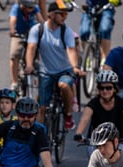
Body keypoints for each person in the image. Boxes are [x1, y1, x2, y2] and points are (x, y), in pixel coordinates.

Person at [24, 0, 82, 128]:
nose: (64, 17)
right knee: (41, 108)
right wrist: (29, 65)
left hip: (64, 71)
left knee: (64, 85)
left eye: (66, 15)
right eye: (61, 14)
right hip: (46, 72)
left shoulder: (66, 31)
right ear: (51, 14)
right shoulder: (37, 30)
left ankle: (68, 115)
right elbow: (31, 48)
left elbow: (71, 51)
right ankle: (38, 137)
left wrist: (75, 67)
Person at [73, 70, 123, 146]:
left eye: (108, 88)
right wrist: (79, 133)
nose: (105, 91)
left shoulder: (121, 103)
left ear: (115, 89)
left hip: (119, 142)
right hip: (97, 142)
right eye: (101, 88)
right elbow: (84, 119)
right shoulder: (93, 103)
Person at [9, 0, 44, 89]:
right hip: (18, 33)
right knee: (14, 54)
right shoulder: (16, 8)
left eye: (32, 7)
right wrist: (12, 30)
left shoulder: (34, 8)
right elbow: (13, 19)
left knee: (37, 48)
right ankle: (14, 82)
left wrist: (44, 29)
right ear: (23, 5)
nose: (31, 9)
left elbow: (40, 19)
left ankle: (32, 63)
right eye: (28, 7)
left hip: (31, 31)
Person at [79, 0, 118, 65]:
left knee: (105, 29)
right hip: (90, 7)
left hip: (106, 6)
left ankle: (105, 60)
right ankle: (87, 56)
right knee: (84, 32)